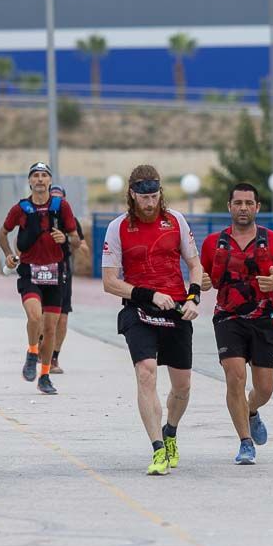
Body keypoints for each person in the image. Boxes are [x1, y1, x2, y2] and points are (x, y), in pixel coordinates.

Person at [101, 165, 203, 476]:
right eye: (144, 197)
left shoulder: (176, 221)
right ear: (132, 194)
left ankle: (170, 431)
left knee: (182, 387)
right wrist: (149, 295)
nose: (150, 203)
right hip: (139, 309)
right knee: (146, 374)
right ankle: (158, 449)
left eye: (155, 196)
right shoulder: (117, 228)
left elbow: (195, 264)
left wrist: (194, 296)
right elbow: (109, 282)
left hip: (175, 309)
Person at [199, 182, 273, 465]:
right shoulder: (213, 242)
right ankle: (245, 443)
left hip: (264, 319)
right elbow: (200, 278)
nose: (243, 208)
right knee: (235, 377)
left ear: (257, 207)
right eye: (238, 203)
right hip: (227, 318)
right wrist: (202, 283)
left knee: (265, 388)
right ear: (229, 206)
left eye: (248, 203)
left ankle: (252, 411)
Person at [0, 162, 79, 395]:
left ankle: (44, 377)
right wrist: (8, 255)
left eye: (44, 176)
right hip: (30, 271)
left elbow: (75, 239)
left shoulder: (61, 206)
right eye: (36, 176)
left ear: (50, 181)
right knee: (35, 317)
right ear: (30, 182)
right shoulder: (21, 208)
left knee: (51, 329)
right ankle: (32, 352)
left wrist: (64, 237)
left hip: (55, 273)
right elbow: (3, 233)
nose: (40, 180)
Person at [47, 185, 90, 375]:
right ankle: (38, 346)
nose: (56, 202)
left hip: (63, 270)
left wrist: (73, 243)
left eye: (59, 199)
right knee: (43, 317)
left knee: (62, 320)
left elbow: (81, 243)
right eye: (53, 198)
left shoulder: (70, 219)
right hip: (42, 270)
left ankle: (54, 357)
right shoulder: (39, 216)